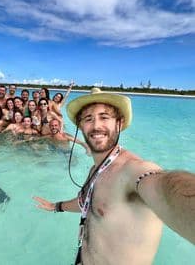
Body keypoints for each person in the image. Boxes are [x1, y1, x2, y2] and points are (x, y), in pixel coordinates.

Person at [34, 88, 195, 265]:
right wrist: (56, 206)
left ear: (119, 123)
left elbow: (167, 189)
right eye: (88, 119)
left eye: (104, 117)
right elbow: (86, 203)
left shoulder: (134, 171)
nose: (96, 125)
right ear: (81, 126)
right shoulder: (97, 169)